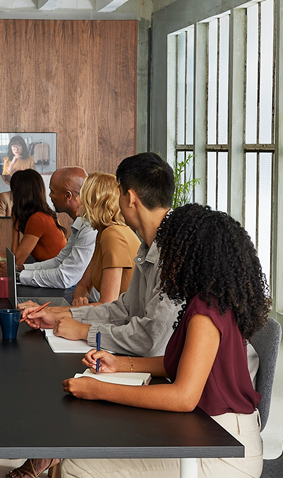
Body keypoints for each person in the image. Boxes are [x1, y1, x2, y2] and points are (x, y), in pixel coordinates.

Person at [58, 203, 268, 477]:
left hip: (224, 449)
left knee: (78, 465)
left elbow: (183, 397)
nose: (165, 257)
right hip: (209, 431)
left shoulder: (206, 314)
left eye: (170, 248)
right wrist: (120, 364)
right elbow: (181, 364)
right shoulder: (209, 301)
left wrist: (97, 390)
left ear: (189, 256)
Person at [19, 153, 180, 353]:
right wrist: (59, 315)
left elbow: (149, 340)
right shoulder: (147, 245)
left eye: (118, 193)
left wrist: (83, 330)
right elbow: (123, 309)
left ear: (129, 198)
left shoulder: (173, 253)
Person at [0, 166, 98, 290]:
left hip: (75, 290)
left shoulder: (89, 228)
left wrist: (17, 275)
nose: (49, 196)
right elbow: (58, 261)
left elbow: (64, 278)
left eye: (52, 191)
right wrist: (21, 269)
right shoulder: (80, 223)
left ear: (68, 196)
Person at [70, 172, 141, 306]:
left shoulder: (113, 234)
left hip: (125, 323)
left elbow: (107, 305)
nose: (78, 200)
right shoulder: (103, 233)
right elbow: (83, 286)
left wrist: (56, 312)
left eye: (81, 195)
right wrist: (80, 300)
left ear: (94, 201)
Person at [0, 169, 66, 267]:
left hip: (55, 275)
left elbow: (17, 261)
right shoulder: (43, 215)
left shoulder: (38, 219)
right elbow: (17, 254)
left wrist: (15, 225)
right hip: (52, 271)